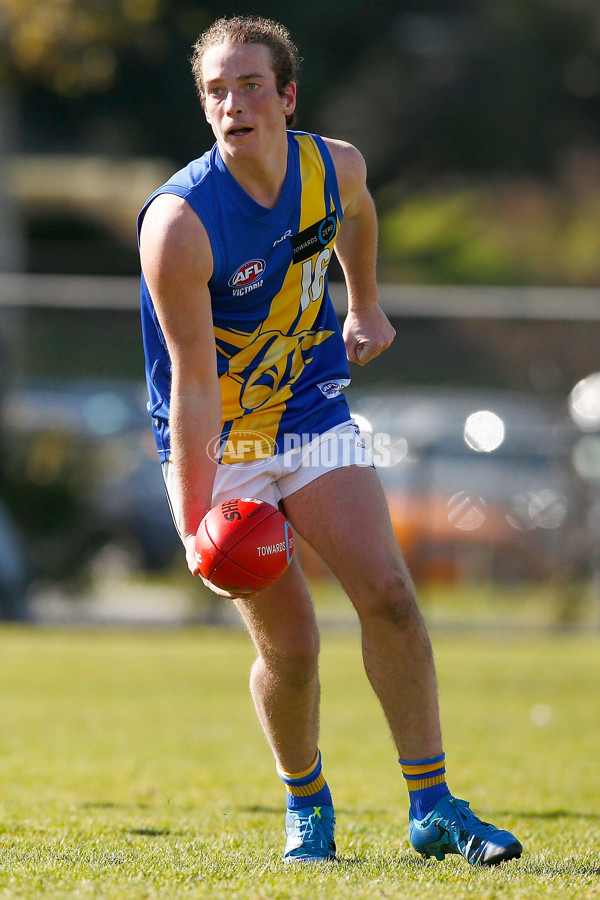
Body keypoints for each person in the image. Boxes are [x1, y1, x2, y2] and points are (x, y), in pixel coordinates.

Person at [138, 15, 522, 866]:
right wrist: (196, 520)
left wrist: (366, 302)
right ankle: (306, 803)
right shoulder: (180, 224)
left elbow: (358, 209)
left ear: (286, 95)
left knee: (388, 593)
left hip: (311, 411)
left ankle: (433, 807)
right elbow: (194, 385)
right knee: (294, 645)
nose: (232, 104)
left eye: (248, 85)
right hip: (222, 437)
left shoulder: (333, 164)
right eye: (215, 91)